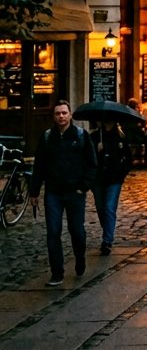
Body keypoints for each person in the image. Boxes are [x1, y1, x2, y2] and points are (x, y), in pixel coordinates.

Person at [28, 101, 97, 286]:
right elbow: (39, 166)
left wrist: (83, 187)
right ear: (54, 116)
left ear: (70, 115)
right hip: (53, 192)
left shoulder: (81, 136)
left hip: (75, 192)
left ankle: (79, 257)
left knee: (76, 230)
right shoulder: (47, 137)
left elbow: (92, 164)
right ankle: (56, 272)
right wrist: (34, 192)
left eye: (64, 113)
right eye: (58, 113)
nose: (61, 116)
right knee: (53, 232)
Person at [92, 120, 132, 256]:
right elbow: (88, 158)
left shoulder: (120, 137)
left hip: (114, 178)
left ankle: (107, 241)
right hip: (98, 179)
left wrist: (122, 172)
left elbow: (128, 157)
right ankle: (107, 230)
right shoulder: (95, 137)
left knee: (109, 207)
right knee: (100, 207)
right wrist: (97, 151)